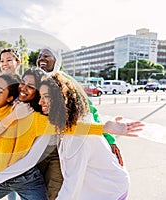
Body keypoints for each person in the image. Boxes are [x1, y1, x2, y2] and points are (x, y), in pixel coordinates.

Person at [36, 48, 124, 199]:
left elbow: (90, 110)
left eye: (46, 56)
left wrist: (108, 138)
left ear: (57, 60)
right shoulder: (35, 82)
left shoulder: (65, 82)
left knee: (60, 189)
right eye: (39, 56)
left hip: (59, 150)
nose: (41, 59)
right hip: (41, 149)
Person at [38, 73, 143, 199]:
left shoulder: (77, 138)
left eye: (46, 96)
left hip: (110, 192)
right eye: (40, 96)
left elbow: (71, 186)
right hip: (96, 188)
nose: (40, 102)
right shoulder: (71, 124)